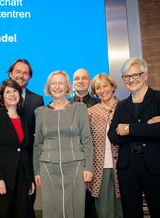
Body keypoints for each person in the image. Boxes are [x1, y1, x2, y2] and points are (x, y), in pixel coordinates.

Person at [108, 58, 160, 218]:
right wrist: (148, 127)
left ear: (145, 75)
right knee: (131, 212)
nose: (131, 79)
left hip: (156, 164)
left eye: (136, 74)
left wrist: (128, 129)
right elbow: (113, 135)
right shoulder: (121, 105)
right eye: (126, 76)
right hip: (128, 167)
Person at [33, 70, 93, 218]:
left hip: (76, 167)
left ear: (67, 86)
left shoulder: (79, 108)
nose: (57, 86)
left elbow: (86, 139)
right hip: (48, 168)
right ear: (49, 86)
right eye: (54, 83)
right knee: (51, 211)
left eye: (61, 83)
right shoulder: (40, 112)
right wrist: (36, 171)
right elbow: (38, 143)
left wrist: (89, 167)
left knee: (75, 209)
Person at [0, 59, 44, 218]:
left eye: (15, 92)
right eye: (8, 92)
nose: (12, 95)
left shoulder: (25, 117)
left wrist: (30, 178)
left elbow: (29, 146)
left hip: (23, 176)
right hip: (3, 177)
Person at [87, 73, 123, 218]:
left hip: (124, 167)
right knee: (104, 211)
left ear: (112, 86)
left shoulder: (125, 107)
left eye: (105, 86)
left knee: (124, 208)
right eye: (97, 88)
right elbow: (87, 142)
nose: (102, 91)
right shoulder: (90, 112)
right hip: (100, 169)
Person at [69, 68, 99, 218]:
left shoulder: (99, 103)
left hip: (95, 160)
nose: (80, 81)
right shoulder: (65, 105)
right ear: (72, 83)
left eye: (84, 78)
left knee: (92, 204)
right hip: (71, 160)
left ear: (89, 81)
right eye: (76, 78)